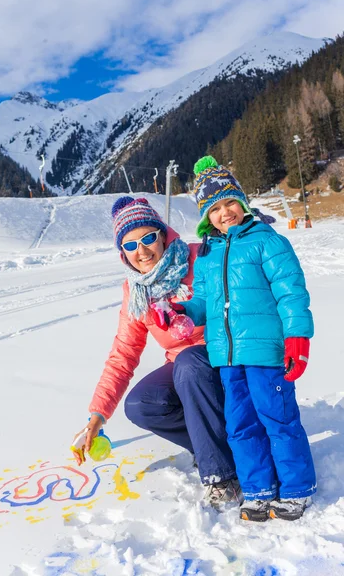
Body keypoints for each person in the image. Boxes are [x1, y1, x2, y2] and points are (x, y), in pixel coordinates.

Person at [72, 195, 240, 507]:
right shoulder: (135, 290)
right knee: (141, 404)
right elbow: (123, 352)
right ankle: (212, 447)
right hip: (186, 368)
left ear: (162, 235)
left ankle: (222, 474)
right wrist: (97, 416)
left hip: (226, 355)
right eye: (130, 245)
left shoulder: (198, 257)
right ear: (122, 252)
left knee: (190, 362)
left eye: (148, 238)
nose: (142, 251)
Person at [177, 156, 316, 522]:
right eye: (215, 208)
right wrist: (184, 312)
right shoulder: (207, 253)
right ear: (207, 216)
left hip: (266, 352)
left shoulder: (267, 241)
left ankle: (297, 489)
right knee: (239, 425)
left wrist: (297, 337)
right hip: (226, 356)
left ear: (242, 202)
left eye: (230, 203)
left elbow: (291, 293)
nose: (225, 213)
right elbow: (204, 302)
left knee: (278, 419)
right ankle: (258, 490)